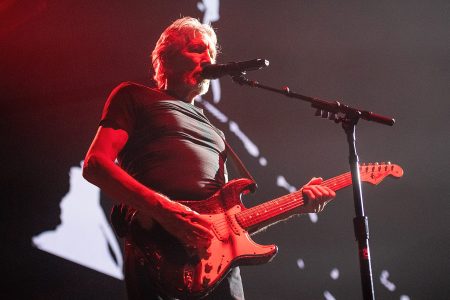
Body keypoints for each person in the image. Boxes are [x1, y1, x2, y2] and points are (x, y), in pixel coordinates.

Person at [82, 17, 336, 300]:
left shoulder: (216, 133)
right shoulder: (134, 96)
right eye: (197, 49)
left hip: (219, 269)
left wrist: (298, 203)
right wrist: (171, 214)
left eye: (212, 53)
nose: (208, 58)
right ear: (166, 58)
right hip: (157, 250)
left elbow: (228, 221)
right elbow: (95, 165)